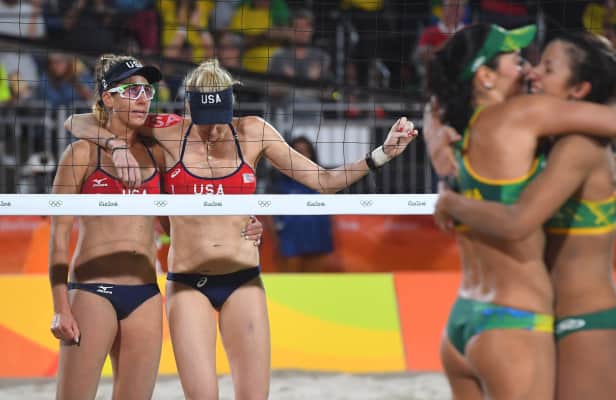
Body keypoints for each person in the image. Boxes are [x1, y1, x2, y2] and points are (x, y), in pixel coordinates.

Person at [65, 58, 417, 399]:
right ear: (189, 107)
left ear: (231, 104)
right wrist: (113, 144)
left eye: (220, 118)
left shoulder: (253, 132)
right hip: (188, 283)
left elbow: (324, 181)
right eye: (205, 120)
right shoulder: (167, 132)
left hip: (243, 280)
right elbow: (77, 121)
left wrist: (381, 154)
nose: (213, 129)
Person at [422, 23, 616, 399]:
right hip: (518, 320)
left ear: (578, 90)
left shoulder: (462, 127)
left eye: (544, 67)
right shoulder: (526, 123)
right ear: (485, 76)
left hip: (549, 321)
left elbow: (519, 218)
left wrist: (449, 194)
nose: (530, 71)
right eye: (520, 61)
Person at [48, 54, 165, 400]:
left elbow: (183, 214)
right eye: (132, 91)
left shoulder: (158, 152)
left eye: (147, 91)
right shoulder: (80, 155)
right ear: (108, 98)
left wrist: (240, 221)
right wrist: (60, 307)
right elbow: (58, 237)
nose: (143, 99)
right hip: (91, 290)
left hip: (145, 293)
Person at [266, 136, 339, 273]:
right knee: (290, 282)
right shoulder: (278, 180)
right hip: (291, 241)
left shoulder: (322, 178)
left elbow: (331, 210)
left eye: (305, 151)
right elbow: (268, 212)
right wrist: (277, 240)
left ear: (311, 155)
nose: (302, 155)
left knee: (314, 282)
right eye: (297, 151)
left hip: (317, 238)